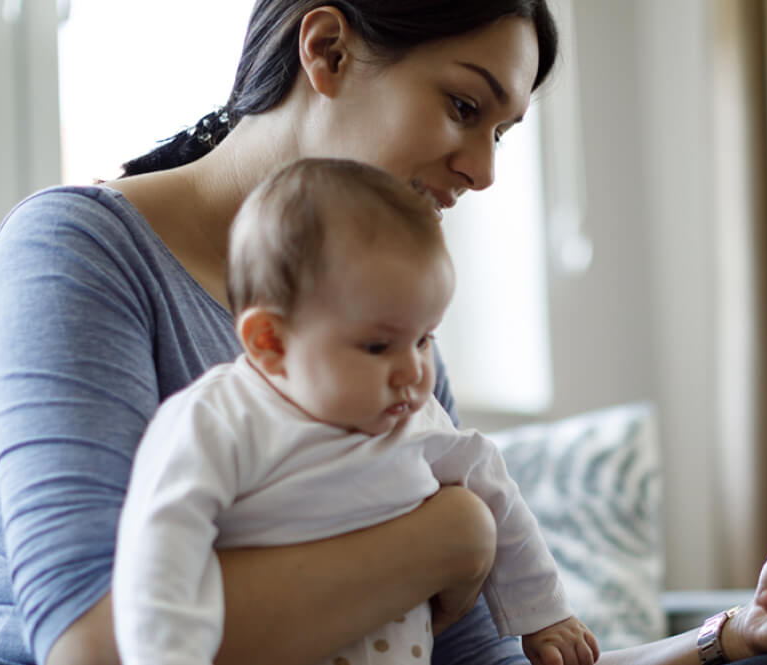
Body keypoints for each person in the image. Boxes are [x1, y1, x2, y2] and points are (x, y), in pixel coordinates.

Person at [0, 2, 767, 665]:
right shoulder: (78, 253)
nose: (482, 169)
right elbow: (97, 644)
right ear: (326, 52)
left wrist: (733, 633)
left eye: (504, 131)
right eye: (463, 105)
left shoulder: (389, 347)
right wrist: (451, 534)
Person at [112, 158, 597, 665]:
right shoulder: (220, 419)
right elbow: (160, 552)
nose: (412, 370)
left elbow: (496, 493)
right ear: (270, 341)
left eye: (424, 339)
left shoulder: (416, 418)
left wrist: (545, 612)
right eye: (377, 346)